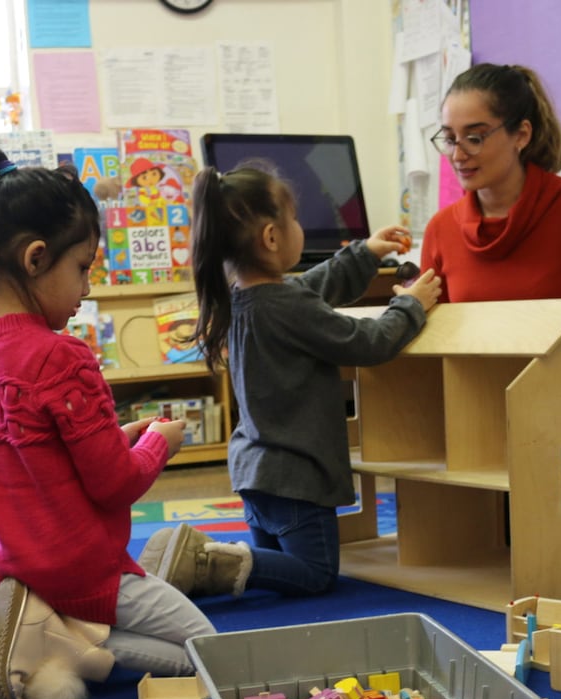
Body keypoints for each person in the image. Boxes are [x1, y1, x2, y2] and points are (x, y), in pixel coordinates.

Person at [0, 144, 214, 699]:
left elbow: (38, 455)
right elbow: (114, 485)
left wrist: (120, 430)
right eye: (81, 270)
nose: (85, 292)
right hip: (82, 568)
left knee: (161, 633)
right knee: (208, 649)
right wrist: (159, 444)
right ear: (35, 258)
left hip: (16, 563)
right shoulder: (59, 357)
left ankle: (16, 621)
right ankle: (59, 645)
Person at [139, 163, 441, 600]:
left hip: (255, 473)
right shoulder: (286, 305)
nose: (299, 226)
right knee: (315, 574)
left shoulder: (241, 299)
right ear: (272, 237)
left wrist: (365, 252)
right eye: (294, 218)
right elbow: (367, 342)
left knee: (270, 574)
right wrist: (410, 306)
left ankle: (222, 562)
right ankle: (209, 561)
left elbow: (310, 290)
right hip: (296, 478)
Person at [420, 64, 561, 310]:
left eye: (474, 138)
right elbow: (436, 341)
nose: (457, 156)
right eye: (450, 139)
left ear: (521, 135)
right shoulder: (440, 230)